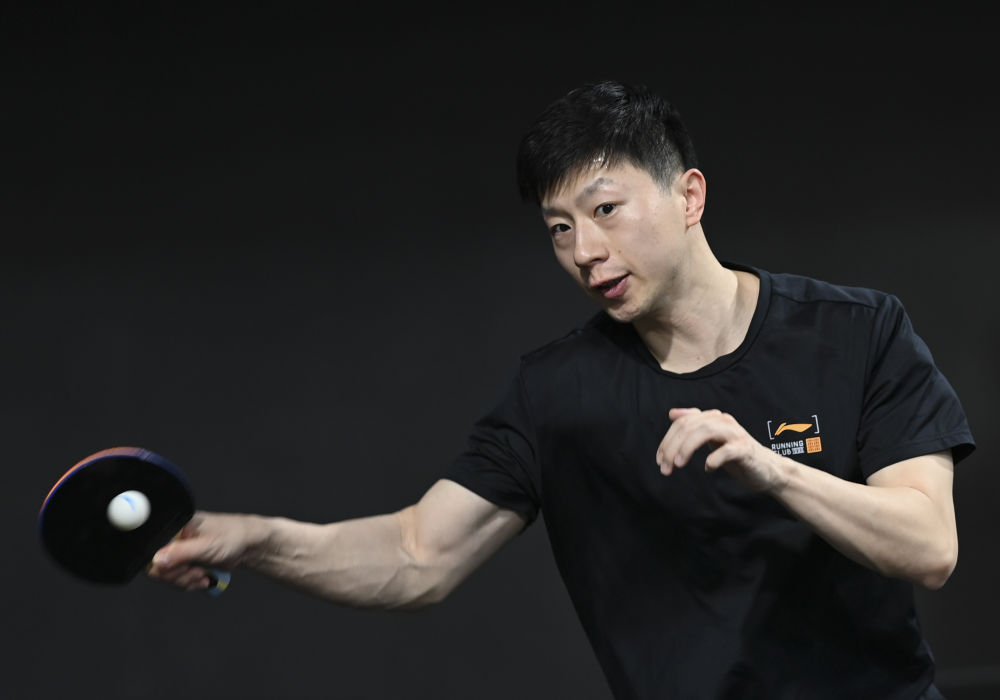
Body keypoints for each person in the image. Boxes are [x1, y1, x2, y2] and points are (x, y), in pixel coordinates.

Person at [149, 81, 975, 699]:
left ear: (689, 195)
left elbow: (928, 545)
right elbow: (416, 554)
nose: (584, 250)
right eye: (559, 228)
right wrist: (256, 539)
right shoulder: (556, 393)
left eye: (605, 209)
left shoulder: (857, 331)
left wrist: (772, 469)